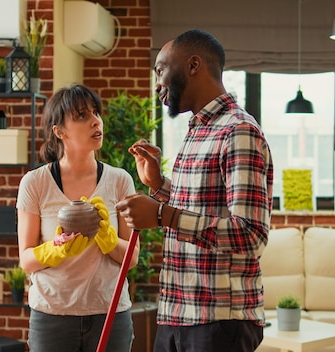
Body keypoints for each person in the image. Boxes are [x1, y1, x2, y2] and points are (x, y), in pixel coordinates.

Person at [115, 29, 274, 352]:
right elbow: (203, 207)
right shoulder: (199, 130)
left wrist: (161, 214)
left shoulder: (238, 132)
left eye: (160, 69)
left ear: (193, 65)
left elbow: (251, 234)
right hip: (178, 312)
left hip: (218, 320)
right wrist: (159, 185)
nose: (157, 82)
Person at [16, 84, 139, 352]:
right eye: (82, 115)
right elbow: (25, 259)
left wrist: (107, 238)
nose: (96, 121)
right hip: (52, 316)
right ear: (59, 131)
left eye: (96, 113)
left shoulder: (120, 181)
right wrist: (55, 249)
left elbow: (132, 258)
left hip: (110, 313)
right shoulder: (35, 183)